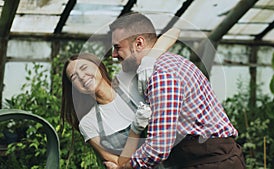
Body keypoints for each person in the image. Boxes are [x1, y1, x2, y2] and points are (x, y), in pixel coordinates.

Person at [108, 12, 246, 169]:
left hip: (211, 162)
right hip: (205, 158)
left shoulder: (161, 74)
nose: (113, 54)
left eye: (118, 47)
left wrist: (126, 167)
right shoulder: (163, 64)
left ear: (139, 43)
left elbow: (158, 146)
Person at [60, 28, 179, 167]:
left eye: (84, 67)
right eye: (74, 77)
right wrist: (135, 130)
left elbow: (173, 32)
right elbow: (118, 163)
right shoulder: (88, 123)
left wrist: (149, 60)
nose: (81, 76)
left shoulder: (128, 81)